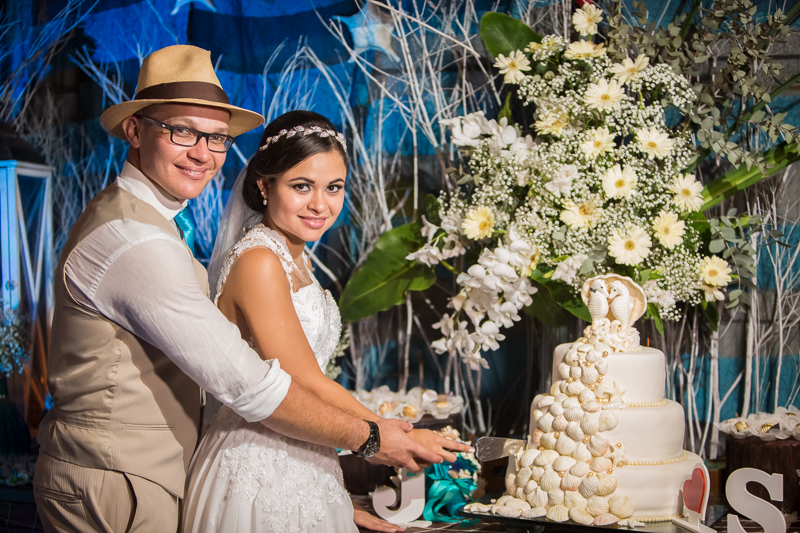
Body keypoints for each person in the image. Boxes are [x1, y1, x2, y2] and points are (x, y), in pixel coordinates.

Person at [33, 45, 469, 533]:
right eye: (183, 132)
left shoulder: (161, 225)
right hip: (116, 480)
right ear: (134, 130)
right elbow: (251, 385)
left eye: (217, 138)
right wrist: (374, 438)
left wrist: (330, 481)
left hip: (175, 472)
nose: (203, 153)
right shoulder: (137, 240)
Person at [181, 110, 462, 533]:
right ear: (263, 184)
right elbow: (304, 380)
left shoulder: (294, 253)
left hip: (306, 452)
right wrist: (388, 434)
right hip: (257, 467)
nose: (320, 204)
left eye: (333, 188)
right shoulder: (259, 261)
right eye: (301, 186)